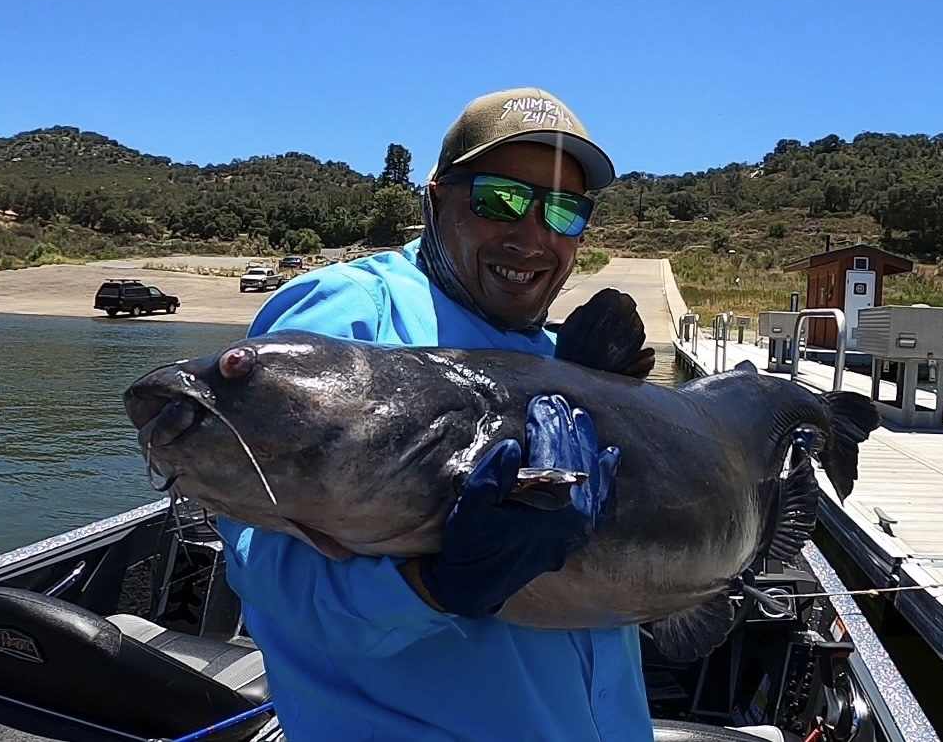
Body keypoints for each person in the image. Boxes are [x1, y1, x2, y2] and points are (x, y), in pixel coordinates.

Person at [217, 87, 655, 741]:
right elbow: (270, 574)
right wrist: (435, 586)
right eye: (500, 199)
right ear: (437, 195)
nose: (533, 236)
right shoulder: (350, 316)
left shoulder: (557, 358)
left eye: (564, 213)